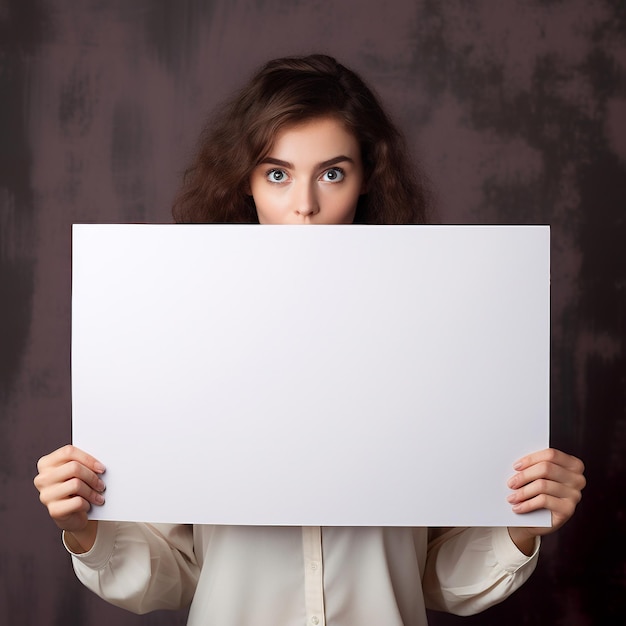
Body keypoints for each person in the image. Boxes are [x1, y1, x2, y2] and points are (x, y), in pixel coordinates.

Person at [34, 54, 586, 625]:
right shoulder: (181, 333)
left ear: (366, 177)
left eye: (332, 173)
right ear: (245, 183)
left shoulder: (436, 335)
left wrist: (519, 525)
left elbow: (439, 579)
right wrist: (87, 529)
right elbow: (175, 573)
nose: (305, 206)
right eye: (277, 174)